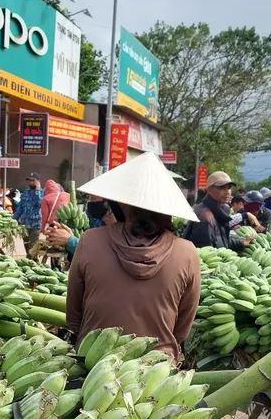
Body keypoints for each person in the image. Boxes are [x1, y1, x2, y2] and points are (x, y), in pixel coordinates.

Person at [67, 153, 201, 360]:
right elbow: (181, 329)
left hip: (94, 364)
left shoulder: (90, 240)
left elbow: (74, 316)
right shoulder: (187, 252)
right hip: (156, 368)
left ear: (119, 205)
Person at [182, 171, 254, 251]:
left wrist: (241, 243)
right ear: (209, 190)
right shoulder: (205, 216)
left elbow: (220, 240)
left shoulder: (219, 210)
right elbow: (207, 253)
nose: (227, 192)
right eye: (222, 187)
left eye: (229, 187)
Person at [44, 195, 117, 257]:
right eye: (89, 198)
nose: (90, 202)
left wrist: (70, 241)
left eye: (93, 198)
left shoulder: (122, 233)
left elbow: (100, 256)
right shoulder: (93, 218)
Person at [13, 173, 44, 253]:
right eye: (29, 180)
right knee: (26, 246)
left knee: (32, 247)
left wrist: (37, 191)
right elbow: (20, 207)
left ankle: (31, 261)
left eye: (33, 180)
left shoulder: (42, 193)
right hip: (25, 224)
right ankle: (34, 261)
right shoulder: (26, 193)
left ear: (38, 181)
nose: (31, 182)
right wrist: (14, 219)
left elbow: (40, 203)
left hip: (36, 224)